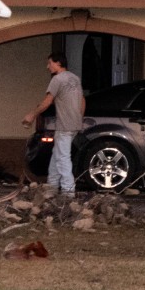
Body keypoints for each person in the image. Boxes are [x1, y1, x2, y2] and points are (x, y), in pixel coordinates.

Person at [21, 53, 85, 196]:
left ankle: (69, 191)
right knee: (57, 154)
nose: (47, 66)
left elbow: (47, 101)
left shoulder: (57, 79)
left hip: (64, 125)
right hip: (74, 124)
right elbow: (82, 100)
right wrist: (79, 118)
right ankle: (52, 186)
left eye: (49, 63)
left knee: (63, 157)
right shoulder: (75, 78)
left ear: (58, 63)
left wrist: (32, 115)